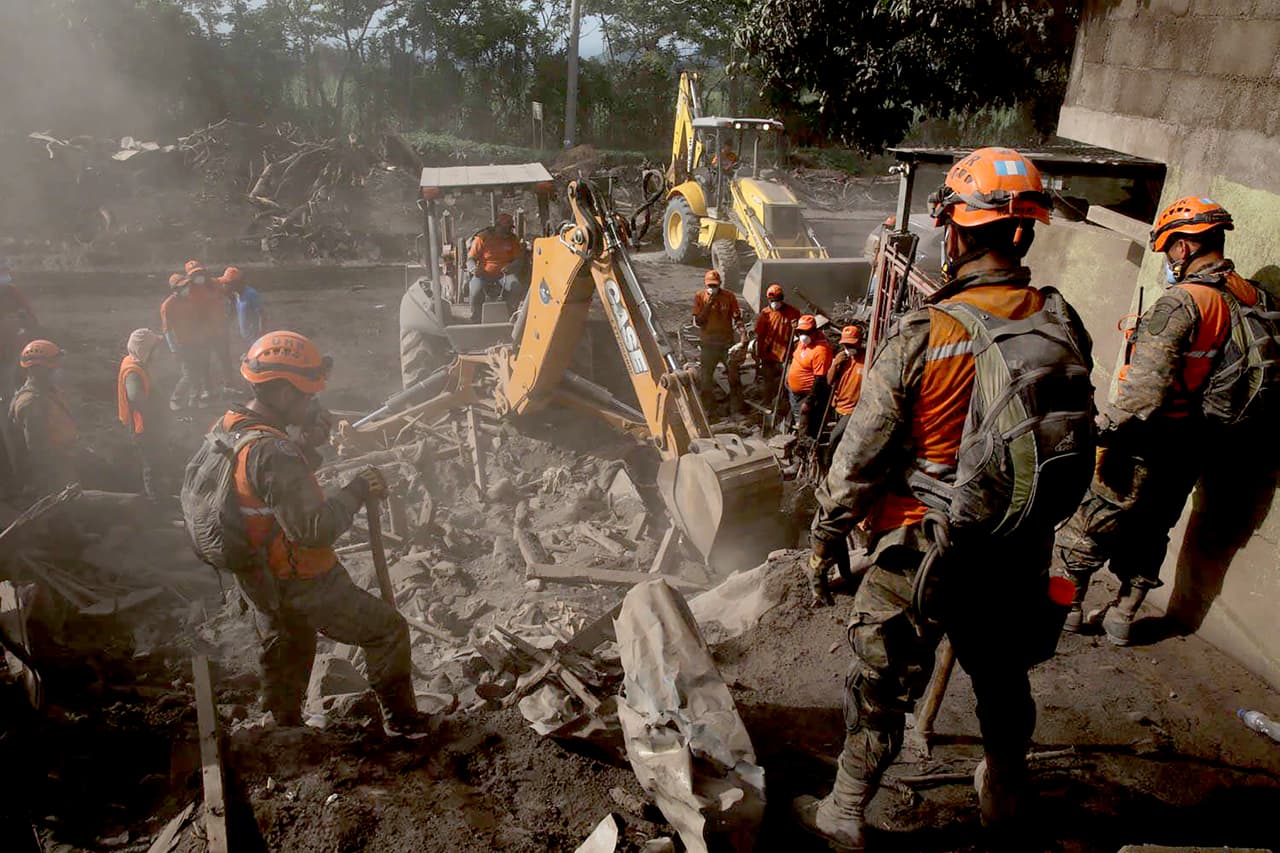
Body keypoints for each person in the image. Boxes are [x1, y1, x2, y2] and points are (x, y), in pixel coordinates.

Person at [797, 147, 1092, 846]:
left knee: (879, 683)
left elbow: (858, 460)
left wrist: (823, 539)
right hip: (1017, 546)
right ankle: (1005, 796)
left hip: (921, 549)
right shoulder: (1060, 319)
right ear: (1023, 233)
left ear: (955, 233)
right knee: (1002, 678)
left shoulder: (926, 331)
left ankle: (844, 810)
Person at [1054, 196, 1271, 646]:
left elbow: (1144, 395)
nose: (1169, 257)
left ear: (1186, 247)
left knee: (1091, 522)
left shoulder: (1183, 303)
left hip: (1147, 441)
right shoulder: (1249, 296)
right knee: (1155, 527)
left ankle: (1065, 611)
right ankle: (1123, 617)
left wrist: (1101, 429)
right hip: (1197, 444)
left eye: (1170, 246)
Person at [206, 331, 427, 734]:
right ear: (286, 394)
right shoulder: (275, 452)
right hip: (301, 579)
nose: (313, 404)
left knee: (290, 644)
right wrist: (358, 488)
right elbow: (314, 529)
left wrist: (306, 447)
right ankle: (404, 726)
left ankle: (285, 730)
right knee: (387, 631)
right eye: (308, 396)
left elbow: (263, 489)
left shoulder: (233, 427)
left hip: (259, 575)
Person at [8, 340, 79, 494]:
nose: (59, 370)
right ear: (39, 370)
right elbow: (39, 452)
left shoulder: (48, 392)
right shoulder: (31, 403)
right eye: (55, 367)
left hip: (66, 460)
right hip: (54, 474)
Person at [118, 328, 168, 500]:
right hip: (144, 427)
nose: (159, 351)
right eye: (155, 348)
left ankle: (159, 493)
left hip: (148, 425)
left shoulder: (137, 363)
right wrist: (156, 413)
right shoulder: (133, 373)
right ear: (146, 350)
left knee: (156, 461)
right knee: (151, 464)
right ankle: (155, 500)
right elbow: (136, 398)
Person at [692, 269, 745, 412]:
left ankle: (737, 409)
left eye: (715, 286)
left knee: (734, 377)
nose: (712, 288)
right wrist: (708, 304)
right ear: (705, 285)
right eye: (710, 286)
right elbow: (699, 321)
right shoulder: (700, 297)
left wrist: (743, 337)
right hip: (708, 345)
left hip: (726, 344)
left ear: (720, 284)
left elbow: (737, 317)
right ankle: (709, 410)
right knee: (706, 379)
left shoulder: (729, 296)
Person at [186, 260, 238, 396]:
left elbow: (231, 294)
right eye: (194, 274)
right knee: (204, 361)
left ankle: (229, 385)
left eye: (200, 272)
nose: (198, 276)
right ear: (189, 276)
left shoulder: (215, 283)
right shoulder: (189, 290)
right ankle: (207, 389)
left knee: (225, 358)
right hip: (202, 333)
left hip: (220, 329)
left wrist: (231, 316)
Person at [161, 272, 210, 410]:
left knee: (198, 370)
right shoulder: (167, 305)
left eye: (187, 285)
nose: (187, 288)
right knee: (188, 375)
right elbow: (167, 330)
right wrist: (173, 349)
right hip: (181, 345)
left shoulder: (189, 301)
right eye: (183, 287)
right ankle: (175, 399)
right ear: (175, 290)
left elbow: (196, 322)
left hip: (195, 342)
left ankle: (194, 400)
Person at [467, 213, 524, 323]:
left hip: (504, 274)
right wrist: (474, 269)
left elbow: (518, 259)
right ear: (498, 226)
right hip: (483, 274)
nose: (508, 231)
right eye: (506, 228)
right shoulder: (482, 237)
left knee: (516, 287)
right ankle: (476, 317)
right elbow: (470, 258)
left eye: (510, 228)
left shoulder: (512, 239)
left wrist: (511, 266)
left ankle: (510, 314)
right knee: (475, 291)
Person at [823, 325, 866, 462]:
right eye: (846, 345)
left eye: (851, 345)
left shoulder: (867, 359)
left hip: (853, 410)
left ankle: (830, 464)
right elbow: (829, 381)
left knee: (834, 438)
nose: (848, 348)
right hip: (838, 405)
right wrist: (835, 364)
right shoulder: (841, 359)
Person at [786, 315, 833, 436]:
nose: (803, 335)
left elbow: (820, 379)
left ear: (814, 331)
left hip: (807, 395)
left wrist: (809, 401)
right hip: (793, 391)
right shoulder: (804, 342)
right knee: (794, 419)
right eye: (801, 332)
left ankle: (805, 447)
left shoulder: (821, 350)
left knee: (805, 425)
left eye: (806, 332)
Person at [754, 282, 802, 399]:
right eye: (772, 300)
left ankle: (785, 402)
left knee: (788, 381)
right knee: (768, 381)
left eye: (777, 300)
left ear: (782, 299)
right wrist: (759, 354)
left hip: (786, 355)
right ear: (769, 300)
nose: (775, 303)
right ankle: (768, 401)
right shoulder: (764, 315)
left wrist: (797, 327)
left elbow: (800, 333)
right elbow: (760, 336)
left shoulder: (793, 313)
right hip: (769, 355)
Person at [0, 259, 37, 400]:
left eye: (5, 272)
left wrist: (22, 323)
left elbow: (31, 319)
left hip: (14, 350)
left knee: (14, 384)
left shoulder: (13, 292)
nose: (5, 276)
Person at [220, 266, 264, 350]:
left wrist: (260, 334)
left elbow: (262, 314)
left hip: (254, 338)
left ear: (236, 283)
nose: (225, 286)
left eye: (228, 283)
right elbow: (234, 313)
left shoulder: (251, 294)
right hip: (245, 338)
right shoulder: (237, 295)